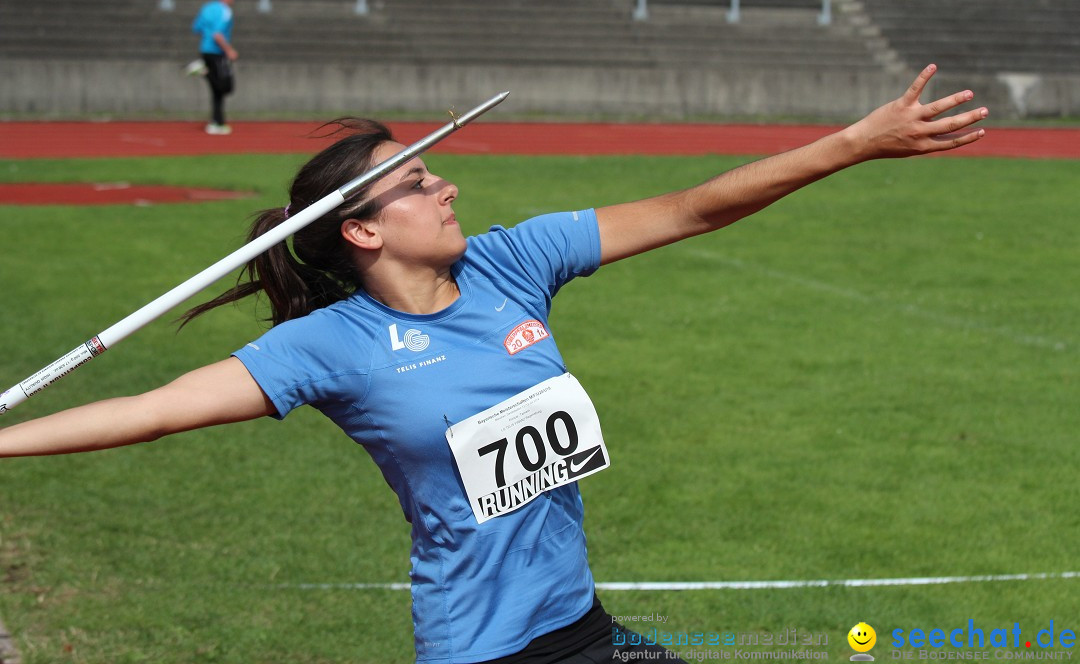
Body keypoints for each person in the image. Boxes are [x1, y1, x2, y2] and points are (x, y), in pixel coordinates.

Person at [0, 65, 987, 663]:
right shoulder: (327, 346)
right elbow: (155, 409)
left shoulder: (516, 261)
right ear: (362, 233)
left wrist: (856, 143)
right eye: (419, 185)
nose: (446, 186)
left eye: (433, 171)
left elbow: (695, 207)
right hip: (481, 648)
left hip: (580, 627)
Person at [187, 0, 239, 135]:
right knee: (226, 86)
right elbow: (217, 34)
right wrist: (229, 50)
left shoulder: (207, 8)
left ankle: (217, 122)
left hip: (205, 50)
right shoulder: (225, 11)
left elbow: (196, 27)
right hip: (217, 52)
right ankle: (203, 72)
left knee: (217, 90)